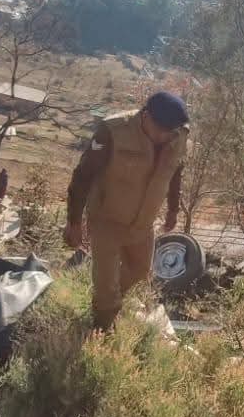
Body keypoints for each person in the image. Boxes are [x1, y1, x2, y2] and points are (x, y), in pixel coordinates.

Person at [64, 92, 190, 330]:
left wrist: (173, 209)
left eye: (169, 132)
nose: (164, 136)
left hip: (143, 222)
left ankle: (108, 302)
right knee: (106, 287)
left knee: (140, 271)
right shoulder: (114, 131)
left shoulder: (178, 135)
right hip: (107, 218)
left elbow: (175, 172)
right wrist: (74, 221)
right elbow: (83, 175)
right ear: (146, 115)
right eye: (159, 129)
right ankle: (102, 326)